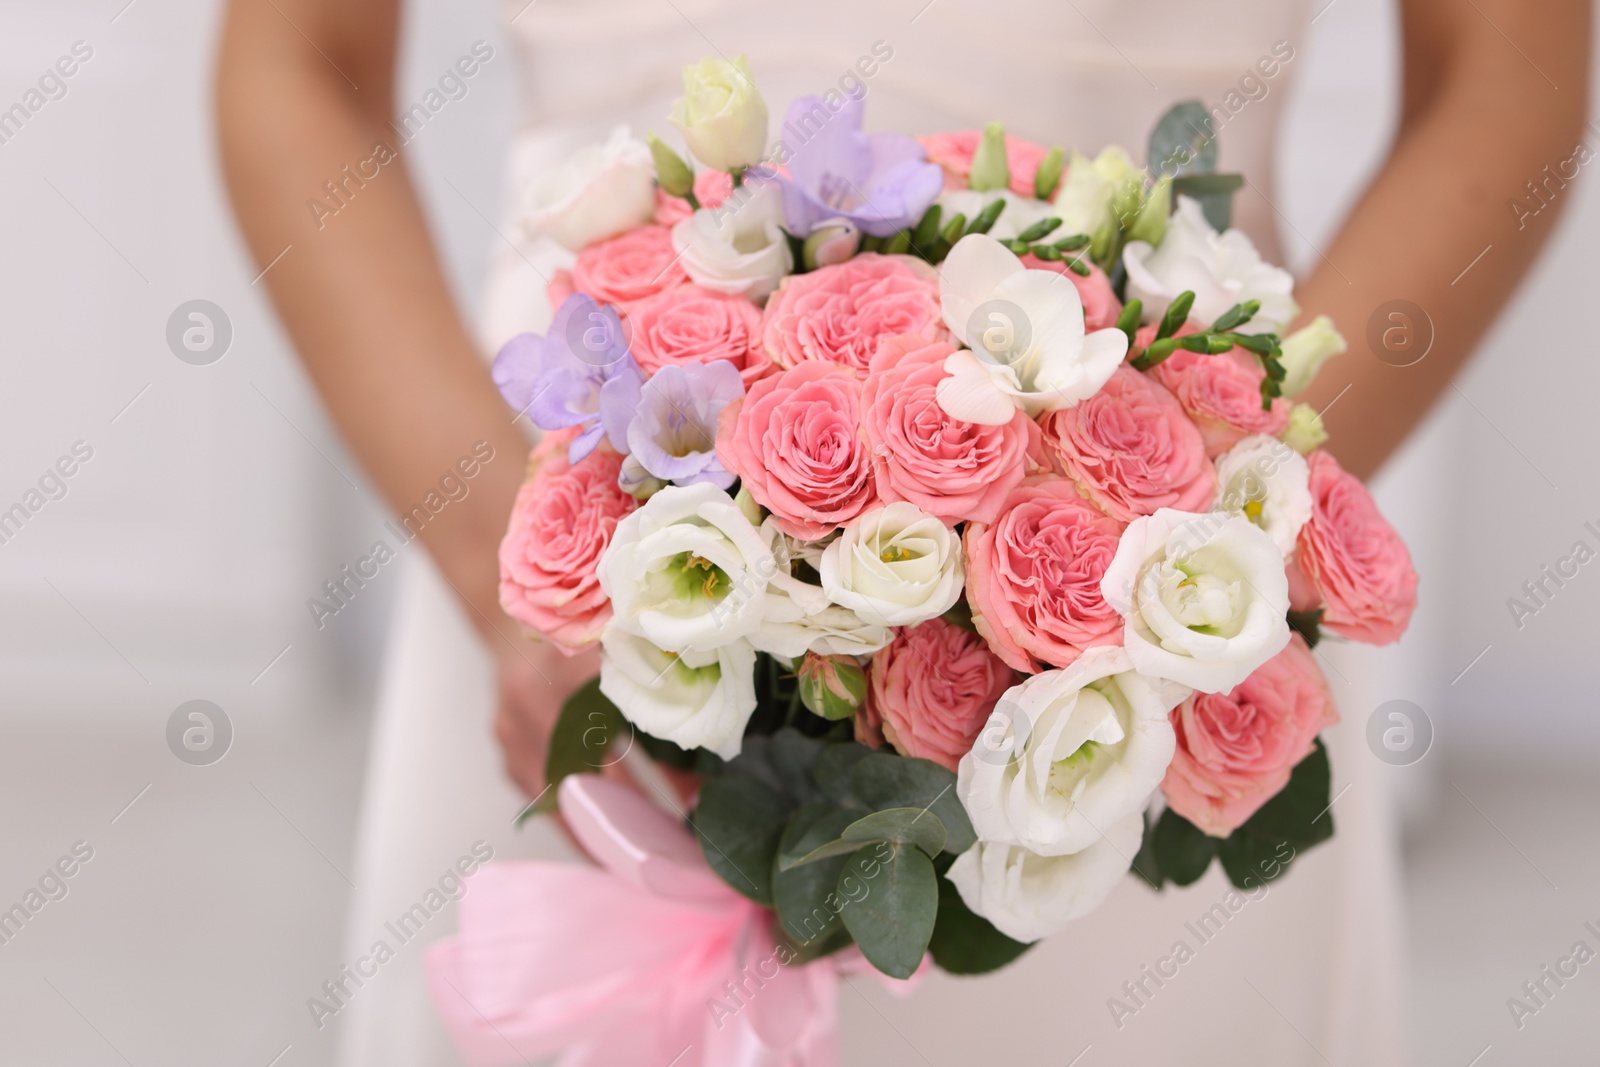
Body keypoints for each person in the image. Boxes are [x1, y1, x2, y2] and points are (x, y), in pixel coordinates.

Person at [216, 0, 1589, 1063]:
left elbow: (1506, 79)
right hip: (577, 567)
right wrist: (501, 577)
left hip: (1153, 618)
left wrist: (1216, 537)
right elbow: (299, 62)